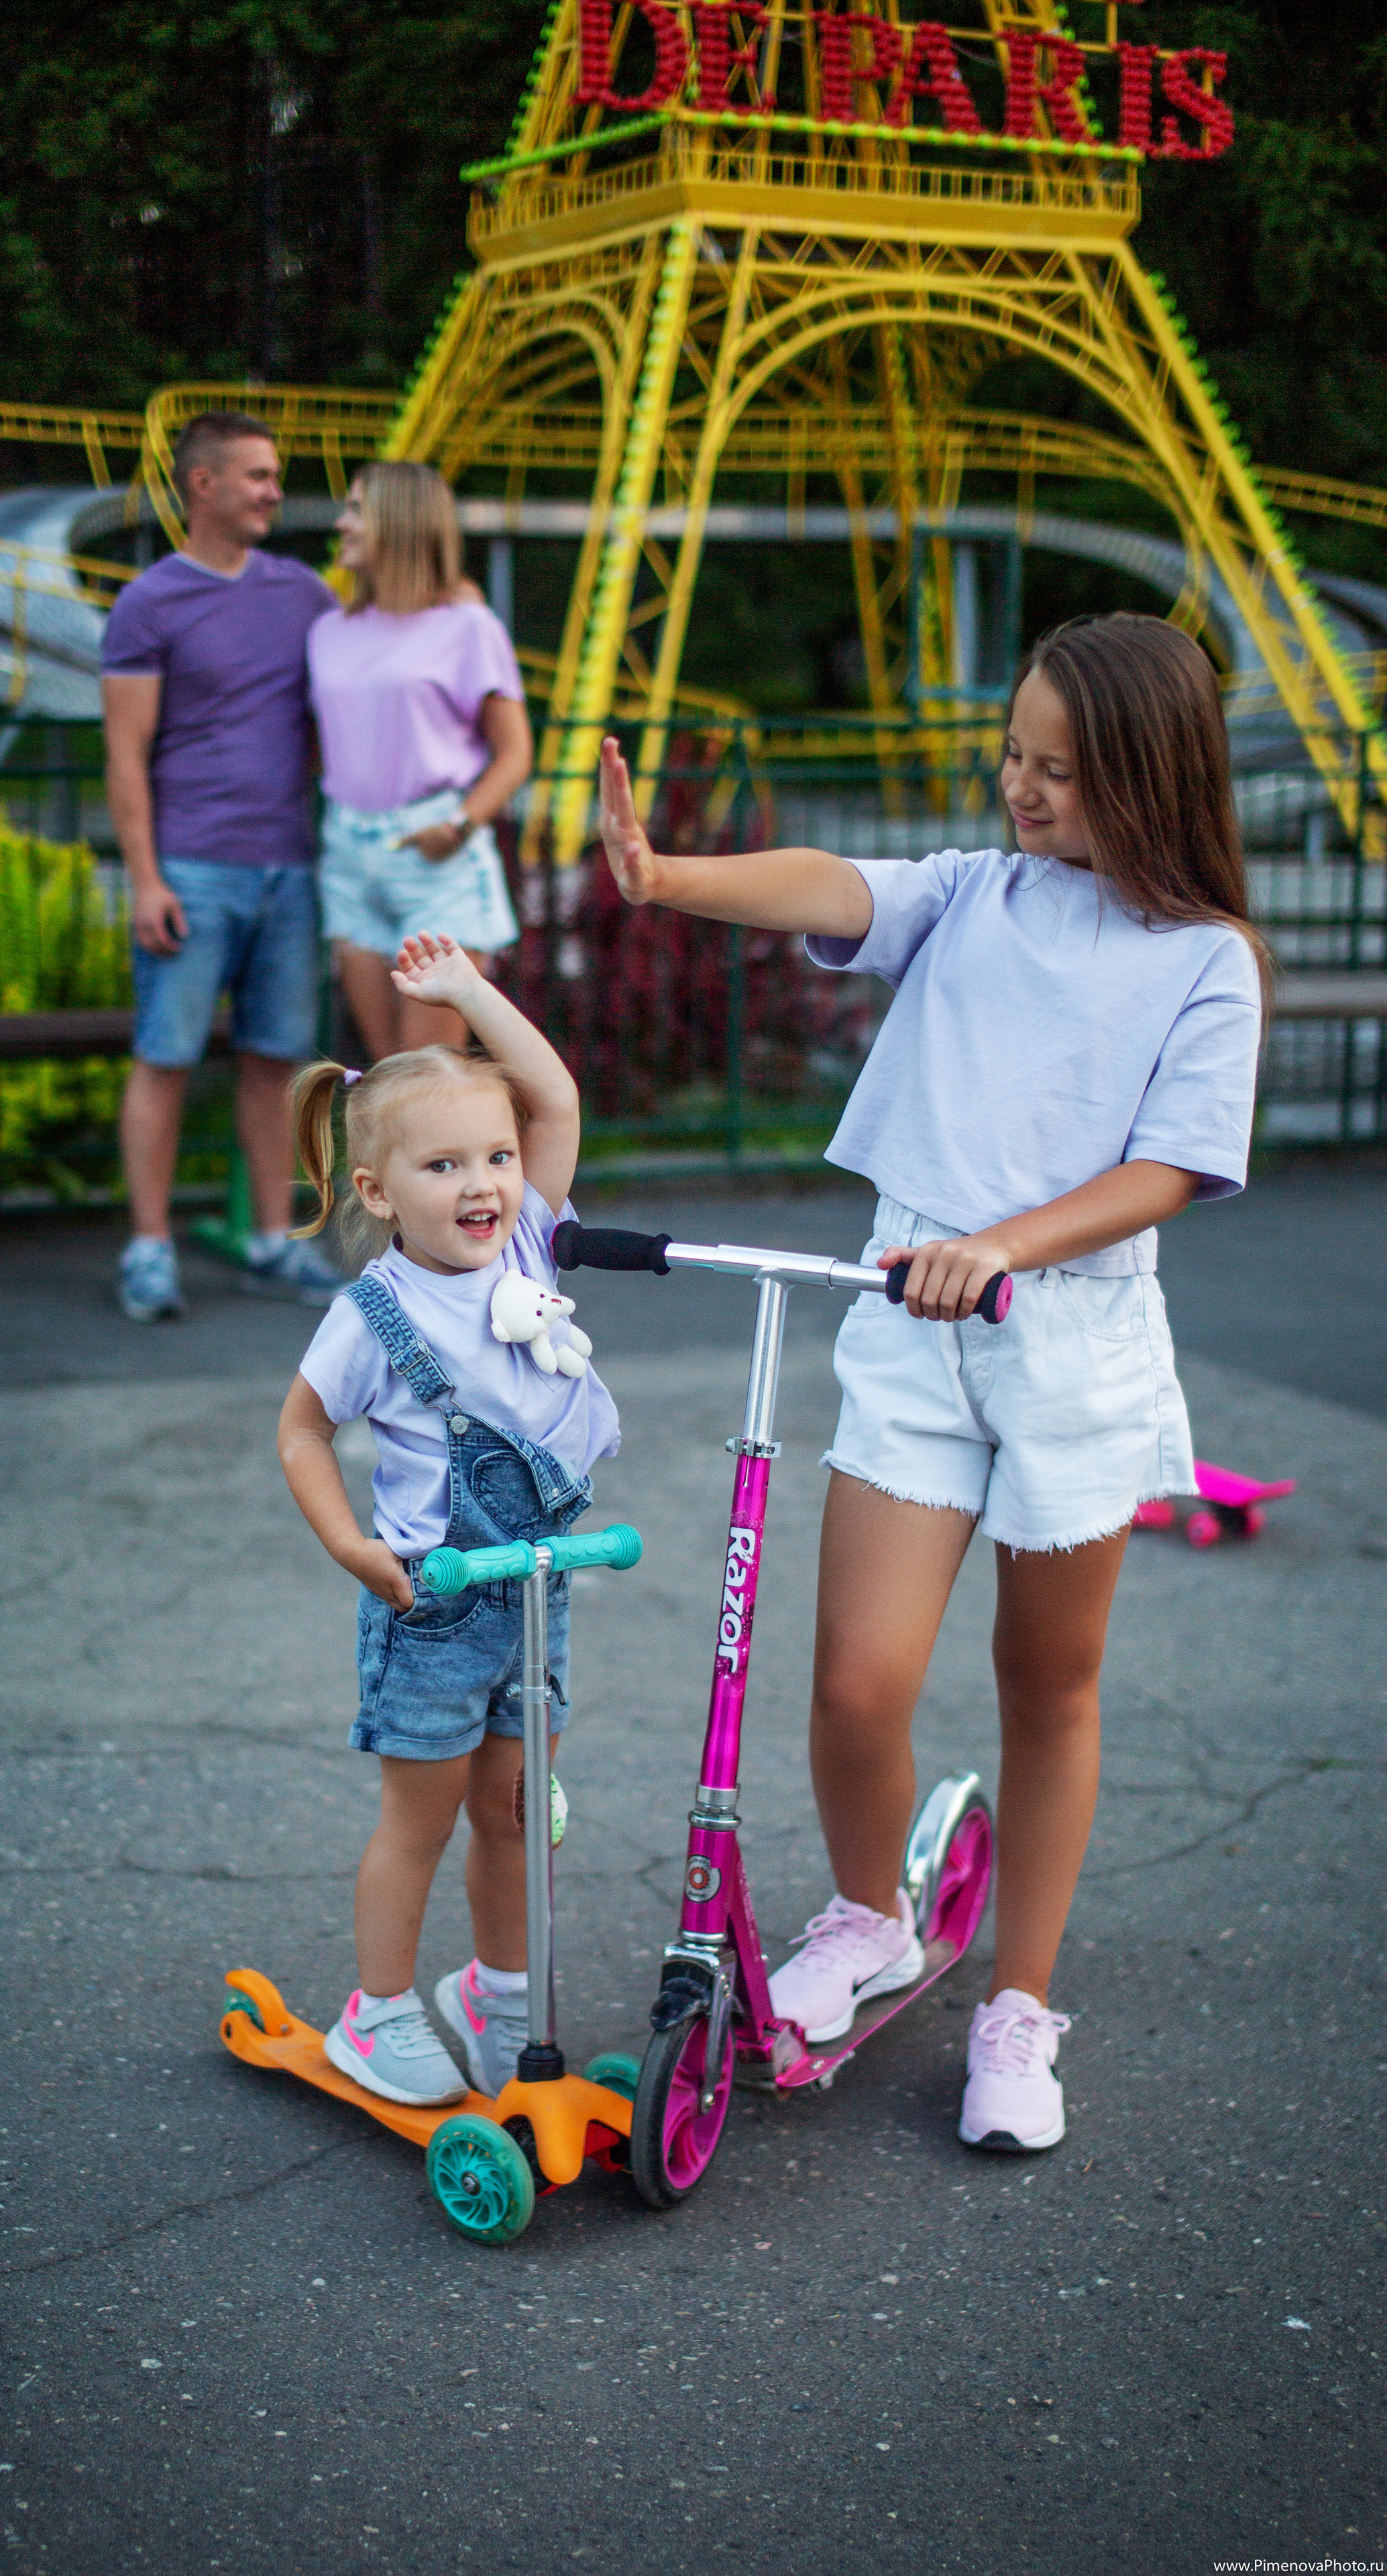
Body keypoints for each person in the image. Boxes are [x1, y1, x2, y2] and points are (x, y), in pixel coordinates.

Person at [595, 612, 1266, 2154]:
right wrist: (665, 875)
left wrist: (1002, 1242)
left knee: (1047, 1688)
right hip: (908, 1311)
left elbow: (1169, 1165)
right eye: (1011, 755)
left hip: (1070, 1336)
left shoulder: (1204, 961)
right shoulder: (970, 894)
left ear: (1148, 779)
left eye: (1056, 770)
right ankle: (864, 1911)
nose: (1018, 790)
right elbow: (840, 885)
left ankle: (1016, 2005)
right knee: (854, 1680)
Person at [276, 932, 620, 2106]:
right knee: (419, 1822)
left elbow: (557, 1094)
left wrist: (472, 994)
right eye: (442, 1167)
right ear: (376, 1192)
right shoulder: (375, 1312)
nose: (481, 1184)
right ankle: (373, 2013)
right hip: (428, 1602)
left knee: (517, 1813)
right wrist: (347, 1544)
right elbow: (303, 1433)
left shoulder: (530, 1234)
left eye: (496, 1157)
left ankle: (498, 1992)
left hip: (536, 1590)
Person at [102, 409, 342, 1320]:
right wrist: (144, 876)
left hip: (289, 869)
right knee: (164, 1058)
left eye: (275, 476)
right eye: (258, 476)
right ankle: (150, 1252)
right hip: (191, 871)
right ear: (202, 484)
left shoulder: (306, 595)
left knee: (275, 1065)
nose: (275, 491)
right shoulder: (150, 602)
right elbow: (125, 754)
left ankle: (270, 1244)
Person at [308, 461, 533, 1061]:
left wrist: (457, 828)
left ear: (398, 521)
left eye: (356, 509)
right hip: (349, 853)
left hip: (437, 855)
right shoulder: (328, 630)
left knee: (428, 1079)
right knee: (387, 1082)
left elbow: (515, 753)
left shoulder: (469, 626)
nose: (341, 523)